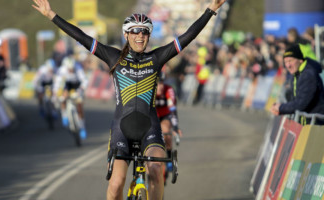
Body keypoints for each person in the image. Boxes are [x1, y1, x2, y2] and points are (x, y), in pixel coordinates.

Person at [32, 0, 226, 199]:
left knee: (156, 171)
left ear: (148, 35)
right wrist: (52, 16)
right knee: (116, 184)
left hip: (149, 128)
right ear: (126, 34)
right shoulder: (113, 56)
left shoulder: (157, 58)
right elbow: (81, 36)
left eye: (144, 32)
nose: (140, 35)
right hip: (121, 130)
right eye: (135, 31)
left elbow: (187, 37)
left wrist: (209, 11)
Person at [270, 44, 324, 125]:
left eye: (290, 61)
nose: (288, 65)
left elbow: (301, 104)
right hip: (304, 122)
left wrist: (281, 108)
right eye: (285, 62)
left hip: (316, 124)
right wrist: (279, 108)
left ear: (300, 60)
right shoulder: (296, 74)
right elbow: (294, 100)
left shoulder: (308, 75)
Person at [155, 71, 182, 184]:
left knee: (166, 130)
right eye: (157, 83)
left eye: (162, 83)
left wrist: (175, 127)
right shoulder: (148, 90)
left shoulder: (169, 90)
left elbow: (172, 111)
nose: (160, 86)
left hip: (165, 115)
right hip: (153, 116)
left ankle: (169, 158)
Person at [54, 54, 88, 138]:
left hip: (76, 85)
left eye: (72, 69)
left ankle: (82, 127)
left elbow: (84, 80)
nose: (71, 70)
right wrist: (56, 92)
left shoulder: (78, 68)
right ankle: (64, 115)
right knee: (63, 98)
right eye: (69, 69)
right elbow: (58, 84)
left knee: (79, 105)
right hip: (66, 85)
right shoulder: (62, 70)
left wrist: (81, 89)